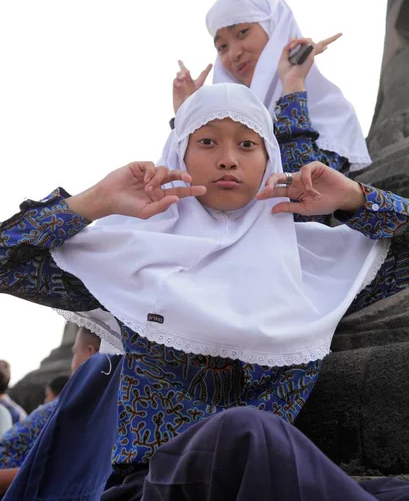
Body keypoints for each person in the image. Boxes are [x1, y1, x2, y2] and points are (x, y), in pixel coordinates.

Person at [0, 43, 408, 499]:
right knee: (244, 432)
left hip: (262, 483)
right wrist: (93, 200)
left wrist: (356, 198)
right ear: (181, 154)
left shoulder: (309, 263)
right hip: (150, 487)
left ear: (269, 159)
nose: (228, 158)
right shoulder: (135, 259)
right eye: (208, 141)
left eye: (247, 144)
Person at [173, 0, 371, 183]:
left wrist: (292, 89)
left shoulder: (331, 112)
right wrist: (187, 119)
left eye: (242, 32)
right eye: (222, 47)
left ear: (277, 29)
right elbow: (189, 193)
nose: (233, 54)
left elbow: (305, 185)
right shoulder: (225, 122)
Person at [0, 328, 100, 495]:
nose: (72, 363)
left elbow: (46, 471)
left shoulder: (71, 409)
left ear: (90, 353)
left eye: (75, 353)